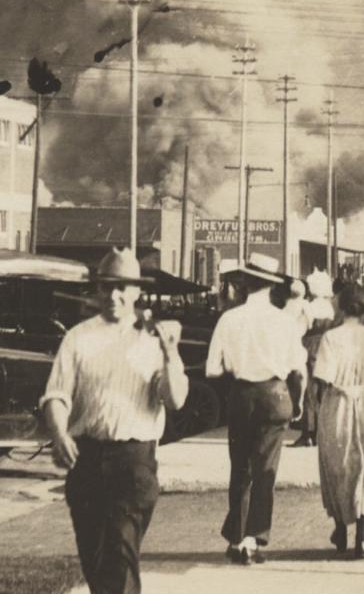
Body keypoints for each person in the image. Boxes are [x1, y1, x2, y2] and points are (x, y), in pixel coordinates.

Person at [40, 249, 188, 594]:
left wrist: (170, 354)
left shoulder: (154, 340)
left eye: (123, 287)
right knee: (96, 563)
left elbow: (176, 399)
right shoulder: (78, 337)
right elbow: (57, 395)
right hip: (86, 460)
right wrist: (59, 432)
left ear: (137, 292)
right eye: (106, 287)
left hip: (132, 464)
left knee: (119, 558)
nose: (114, 296)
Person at [204, 255, 303, 565]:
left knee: (240, 468)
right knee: (265, 470)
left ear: (245, 284)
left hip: (242, 395)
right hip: (275, 393)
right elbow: (298, 370)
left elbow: (211, 370)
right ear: (272, 286)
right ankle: (253, 539)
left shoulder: (229, 319)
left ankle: (236, 538)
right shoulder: (286, 321)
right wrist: (298, 402)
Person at [312, 281, 364, 558]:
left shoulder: (331, 338)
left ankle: (341, 524)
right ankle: (363, 537)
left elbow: (323, 378)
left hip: (338, 404)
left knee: (339, 467)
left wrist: (316, 404)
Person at [292, 270, 338, 449]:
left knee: (309, 391)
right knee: (324, 391)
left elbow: (301, 329)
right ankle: (321, 431)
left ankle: (308, 433)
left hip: (310, 346)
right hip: (326, 346)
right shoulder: (330, 307)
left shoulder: (309, 307)